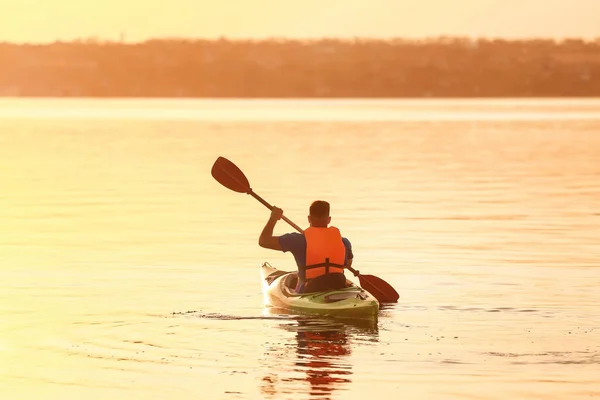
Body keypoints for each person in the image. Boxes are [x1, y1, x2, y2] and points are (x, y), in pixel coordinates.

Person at [258, 200, 353, 293]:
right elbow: (347, 264)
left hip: (308, 290)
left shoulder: (297, 240)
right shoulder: (344, 242)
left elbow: (263, 241)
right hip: (338, 286)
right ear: (329, 220)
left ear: (309, 219)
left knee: (293, 281)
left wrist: (273, 219)